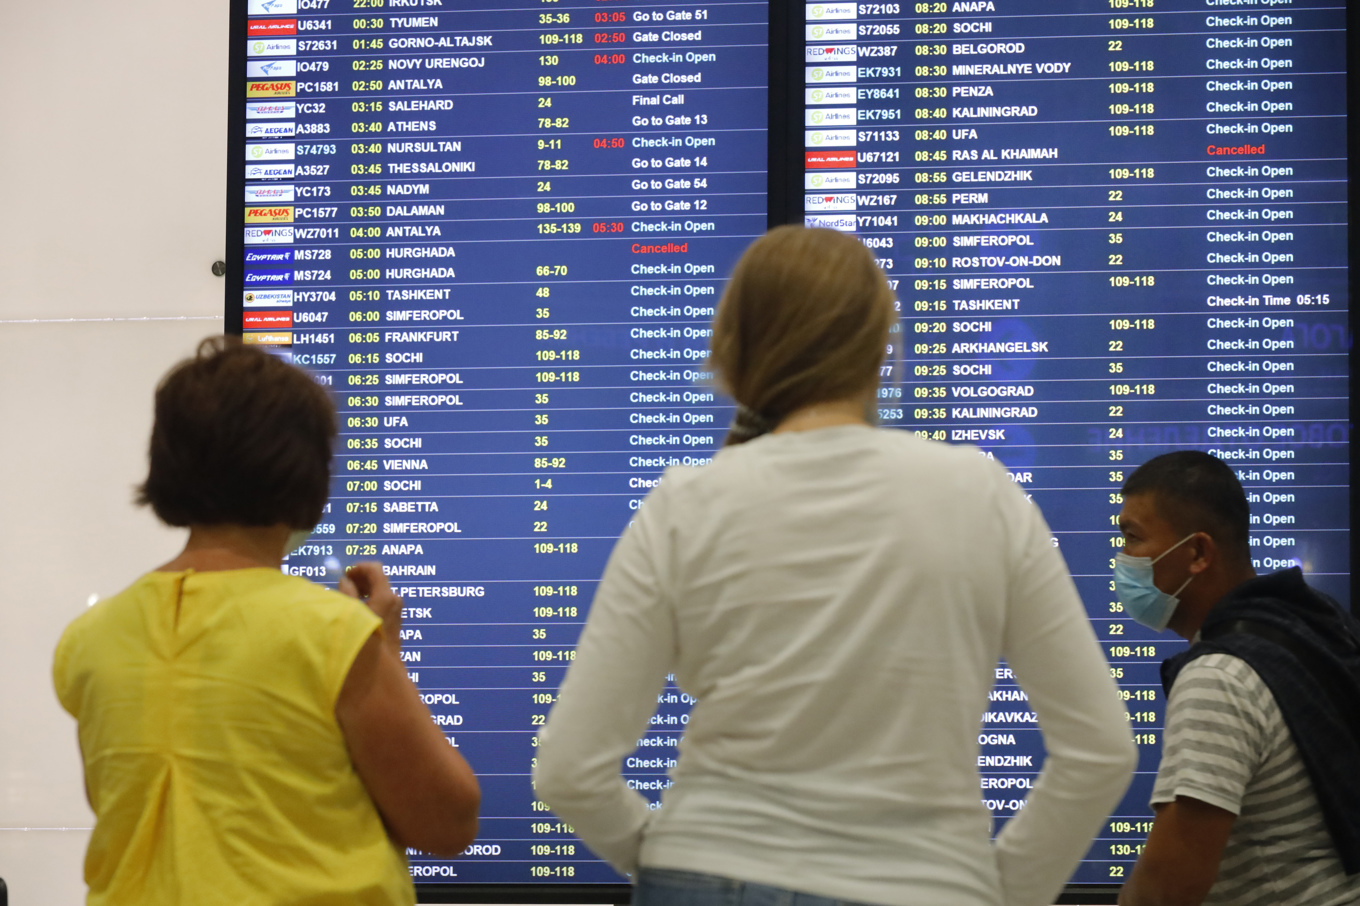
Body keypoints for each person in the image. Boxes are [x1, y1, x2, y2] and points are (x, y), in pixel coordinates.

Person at [532, 226, 1137, 906]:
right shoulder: (980, 492)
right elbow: (1101, 749)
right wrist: (997, 889)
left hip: (707, 875)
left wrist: (676, 857)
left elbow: (568, 769)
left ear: (731, 352)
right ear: (883, 349)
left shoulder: (685, 503)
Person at [53, 338, 480, 905]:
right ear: (306, 474)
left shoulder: (89, 641)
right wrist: (384, 653)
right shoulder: (332, 634)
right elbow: (446, 822)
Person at [1115, 451, 1360, 906]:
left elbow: (1168, 888)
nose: (1122, 559)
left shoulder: (1218, 678)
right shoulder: (1312, 624)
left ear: (1197, 553)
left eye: (1132, 537)